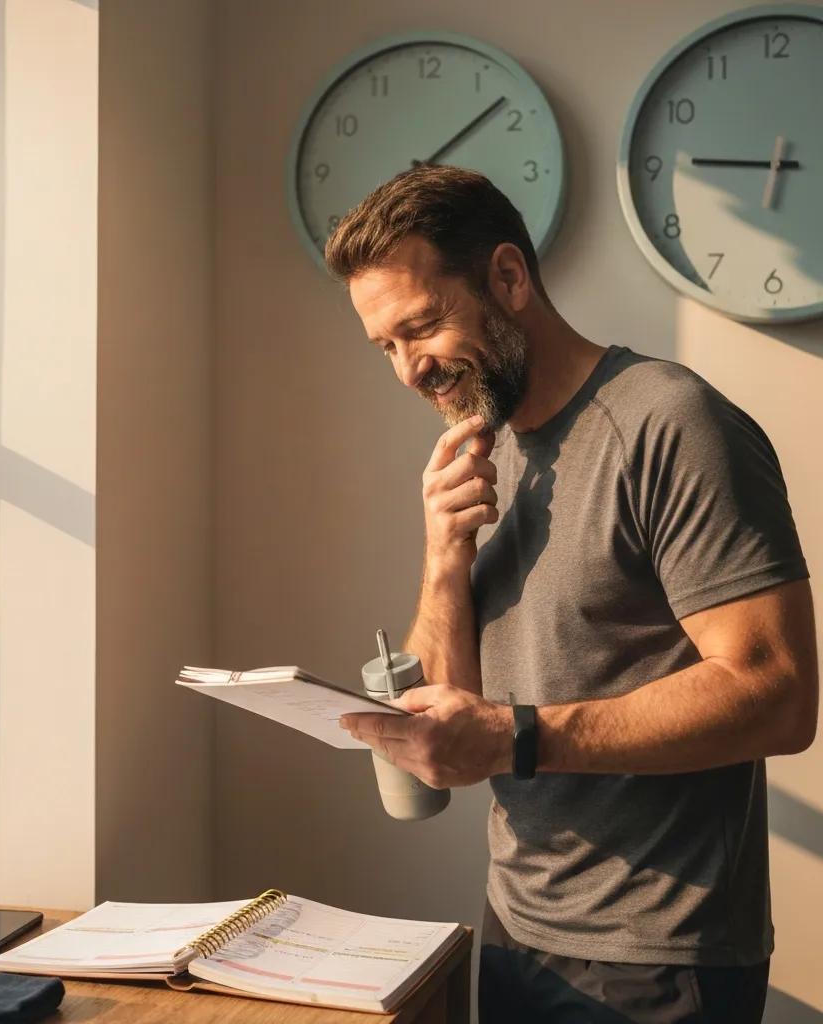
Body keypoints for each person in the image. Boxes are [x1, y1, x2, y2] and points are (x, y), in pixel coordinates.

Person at [327, 165, 817, 1024]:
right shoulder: (489, 441)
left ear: (508, 279)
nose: (409, 371)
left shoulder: (670, 422)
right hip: (518, 927)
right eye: (385, 347)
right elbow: (457, 711)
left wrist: (519, 737)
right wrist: (445, 551)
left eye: (423, 327)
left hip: (659, 960)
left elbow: (776, 694)